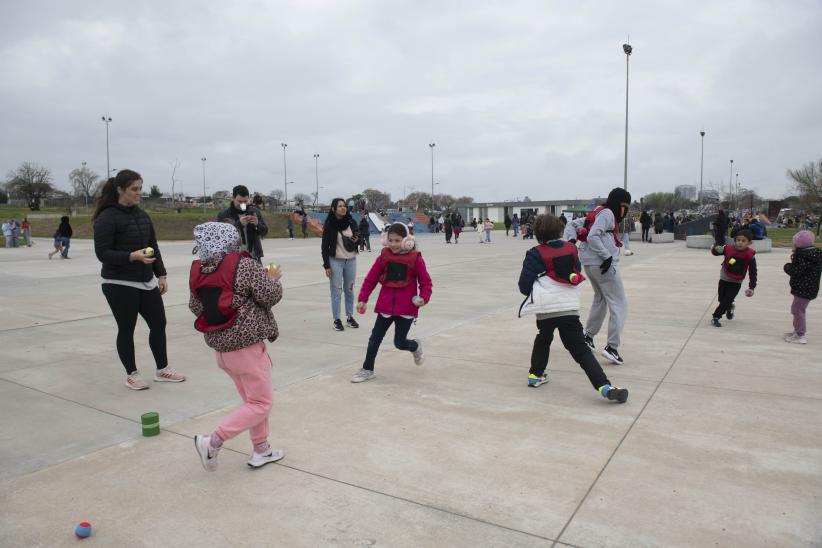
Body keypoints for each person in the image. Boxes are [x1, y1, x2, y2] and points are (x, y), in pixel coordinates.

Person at [189, 222, 285, 471]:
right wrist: (272, 278)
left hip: (223, 350)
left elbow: (196, 307)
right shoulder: (244, 264)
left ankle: (261, 449)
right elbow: (269, 296)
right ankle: (213, 441)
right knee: (261, 403)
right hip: (247, 347)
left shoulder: (200, 270)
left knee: (253, 402)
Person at [518, 214, 628, 402]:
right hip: (567, 307)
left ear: (537, 233)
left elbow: (523, 286)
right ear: (559, 231)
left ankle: (535, 375)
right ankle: (604, 386)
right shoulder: (570, 249)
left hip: (545, 308)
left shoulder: (534, 253)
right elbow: (575, 270)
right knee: (580, 350)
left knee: (543, 338)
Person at [93, 169, 185, 389]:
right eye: (134, 189)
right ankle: (131, 374)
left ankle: (162, 369)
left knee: (158, 323)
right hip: (118, 282)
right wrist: (130, 256)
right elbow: (102, 253)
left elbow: (153, 247)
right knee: (127, 328)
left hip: (145, 281)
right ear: (120, 190)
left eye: (140, 188)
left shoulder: (142, 215)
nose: (139, 193)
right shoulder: (107, 217)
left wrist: (161, 274)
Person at [350, 222, 432, 383]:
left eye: (397, 240)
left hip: (406, 308)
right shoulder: (384, 257)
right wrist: (363, 299)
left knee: (400, 343)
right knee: (374, 339)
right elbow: (371, 279)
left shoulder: (415, 259)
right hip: (385, 306)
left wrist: (423, 297)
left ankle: (414, 346)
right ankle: (367, 369)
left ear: (407, 240)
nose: (393, 244)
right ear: (385, 240)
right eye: (391, 240)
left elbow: (426, 282)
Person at [564, 187, 632, 365]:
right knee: (619, 303)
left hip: (589, 262)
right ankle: (612, 347)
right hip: (603, 263)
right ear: (618, 203)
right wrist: (606, 256)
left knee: (600, 298)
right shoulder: (608, 213)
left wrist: (571, 240)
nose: (624, 211)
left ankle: (588, 336)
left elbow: (572, 225)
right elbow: (594, 236)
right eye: (624, 206)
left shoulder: (597, 211)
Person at [321, 198, 360, 331]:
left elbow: (358, 237)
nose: (343, 208)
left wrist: (357, 239)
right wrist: (326, 265)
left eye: (344, 206)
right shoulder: (329, 225)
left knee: (349, 290)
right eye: (340, 206)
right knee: (336, 291)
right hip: (335, 261)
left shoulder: (351, 222)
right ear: (333, 209)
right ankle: (336, 319)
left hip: (351, 260)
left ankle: (350, 317)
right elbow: (324, 247)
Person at [709, 229, 757, 327]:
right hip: (724, 278)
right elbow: (715, 253)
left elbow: (753, 272)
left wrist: (752, 287)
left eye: (743, 241)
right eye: (738, 240)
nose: (740, 243)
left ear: (749, 242)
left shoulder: (750, 255)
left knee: (727, 299)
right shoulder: (728, 249)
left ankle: (716, 317)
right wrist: (715, 249)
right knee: (721, 299)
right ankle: (730, 306)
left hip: (736, 282)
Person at [783, 230, 822, 344]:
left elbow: (796, 271)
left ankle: (800, 335)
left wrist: (787, 266)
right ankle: (797, 331)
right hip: (808, 288)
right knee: (796, 309)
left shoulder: (803, 256)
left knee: (798, 310)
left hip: (804, 289)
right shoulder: (814, 253)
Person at [217, 185, 268, 261]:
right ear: (233, 198)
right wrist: (238, 224)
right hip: (232, 259)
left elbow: (264, 232)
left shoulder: (255, 212)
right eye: (240, 201)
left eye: (245, 201)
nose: (243, 204)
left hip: (254, 257)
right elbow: (220, 237)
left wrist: (257, 224)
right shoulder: (224, 214)